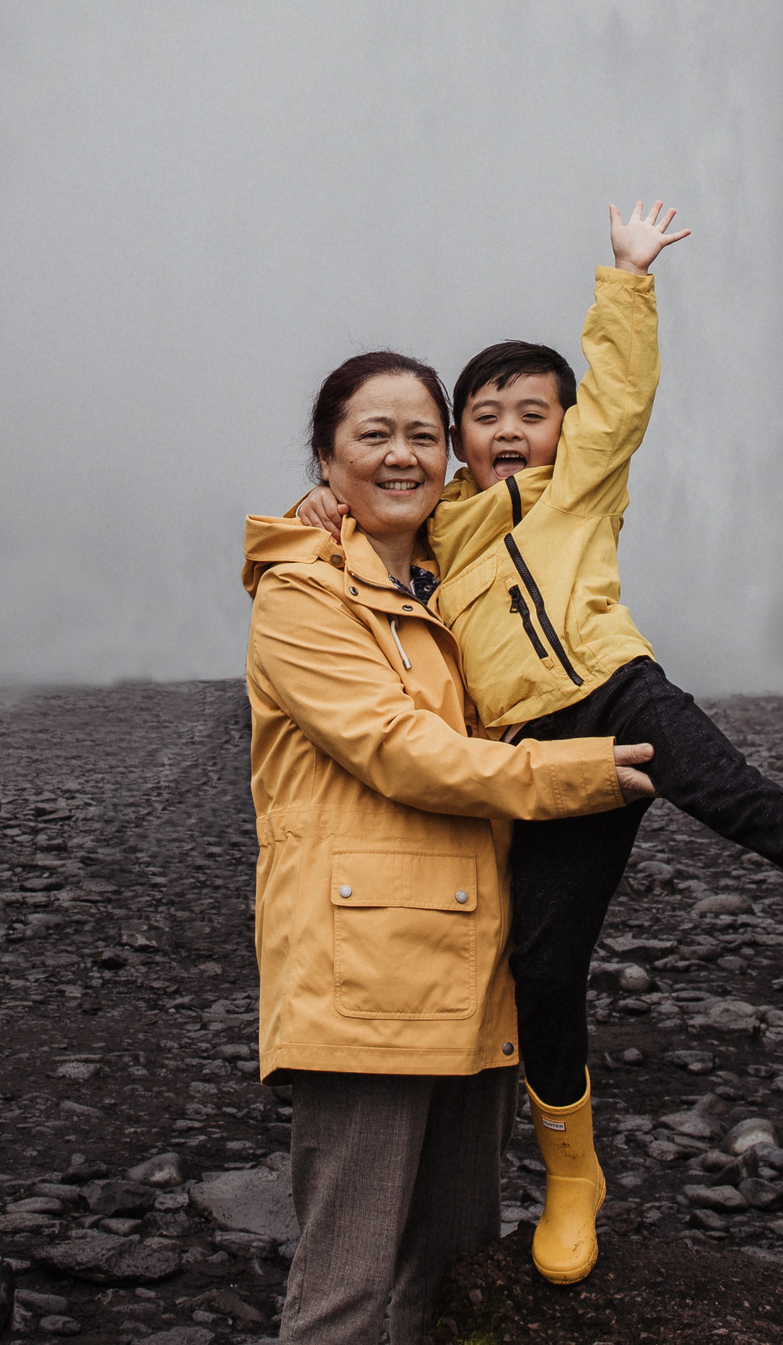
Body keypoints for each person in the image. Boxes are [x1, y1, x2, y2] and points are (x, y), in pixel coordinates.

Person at [293, 204, 783, 1286]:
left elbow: (621, 393)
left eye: (533, 410)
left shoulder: (584, 484)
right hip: (538, 754)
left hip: (621, 693)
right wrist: (318, 510)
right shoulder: (439, 534)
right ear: (460, 439)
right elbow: (366, 519)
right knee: (542, 962)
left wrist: (626, 280)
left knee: (736, 796)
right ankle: (573, 1175)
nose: (510, 429)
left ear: (567, 429)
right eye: (484, 416)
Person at [244, 348, 658, 1345]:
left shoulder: (458, 585)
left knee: (452, 1281)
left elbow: (574, 483)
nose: (401, 456)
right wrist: (574, 777)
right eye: (372, 436)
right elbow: (401, 753)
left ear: (454, 460)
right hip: (367, 986)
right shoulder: (303, 598)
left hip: (473, 979)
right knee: (346, 1291)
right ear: (325, 457)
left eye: (422, 437)